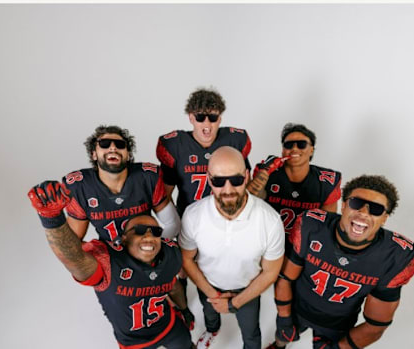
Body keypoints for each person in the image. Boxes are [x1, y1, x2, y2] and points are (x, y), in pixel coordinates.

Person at [28, 181, 195, 349]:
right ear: (123, 238)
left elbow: (172, 286)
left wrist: (184, 309)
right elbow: (75, 259)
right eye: (139, 230)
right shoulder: (109, 260)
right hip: (134, 342)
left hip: (169, 326)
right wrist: (53, 219)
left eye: (156, 231)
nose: (149, 237)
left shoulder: (170, 253)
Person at [266, 175, 414, 349]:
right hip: (297, 309)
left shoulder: (395, 255)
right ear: (344, 205)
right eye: (356, 203)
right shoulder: (312, 226)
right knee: (282, 336)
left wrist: (340, 348)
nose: (363, 212)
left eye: (376, 209)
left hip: (337, 325)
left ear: (385, 217)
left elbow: (376, 325)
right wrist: (284, 317)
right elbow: (285, 278)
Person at [178, 147, 285, 349]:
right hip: (208, 285)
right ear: (209, 180)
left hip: (247, 290)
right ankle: (212, 330)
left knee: (251, 333)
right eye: (219, 181)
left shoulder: (270, 220)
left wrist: (233, 303)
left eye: (235, 180)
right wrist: (213, 295)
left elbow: (271, 272)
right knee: (209, 316)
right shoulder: (193, 215)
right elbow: (186, 259)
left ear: (246, 176)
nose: (228, 189)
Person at [63, 125, 180, 243]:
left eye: (120, 144)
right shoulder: (80, 186)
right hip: (111, 256)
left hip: (144, 253)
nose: (113, 148)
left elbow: (172, 224)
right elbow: (73, 244)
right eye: (105, 144)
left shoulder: (147, 177)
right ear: (94, 154)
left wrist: (152, 247)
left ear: (128, 154)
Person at [156, 88, 252, 216]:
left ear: (219, 119)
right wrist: (175, 223)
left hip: (228, 218)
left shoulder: (235, 141)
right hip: (190, 219)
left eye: (212, 117)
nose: (207, 123)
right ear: (191, 118)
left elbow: (246, 189)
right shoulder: (175, 146)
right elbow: (165, 195)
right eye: (200, 117)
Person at [247, 123, 342, 233]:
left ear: (311, 150)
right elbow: (256, 203)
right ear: (283, 150)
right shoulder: (267, 171)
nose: (294, 149)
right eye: (289, 145)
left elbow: (326, 226)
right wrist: (257, 187)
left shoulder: (326, 182)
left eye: (301, 144)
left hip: (305, 244)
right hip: (268, 237)